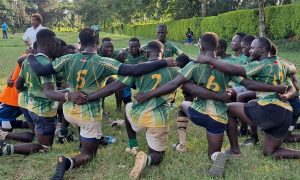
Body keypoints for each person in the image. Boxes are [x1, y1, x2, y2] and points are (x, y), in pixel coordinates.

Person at [25, 28, 176, 179]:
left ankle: (80, 139)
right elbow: (134, 70)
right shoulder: (103, 62)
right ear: (97, 43)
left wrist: (31, 56)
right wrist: (163, 62)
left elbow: (41, 70)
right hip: (88, 115)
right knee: (88, 155)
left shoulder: (68, 58)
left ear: (80, 43)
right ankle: (66, 162)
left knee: (82, 127)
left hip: (69, 111)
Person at [134, 33, 286, 177]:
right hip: (218, 118)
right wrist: (276, 88)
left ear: (201, 48)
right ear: (216, 46)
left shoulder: (194, 65)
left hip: (199, 112)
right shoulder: (225, 66)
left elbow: (173, 84)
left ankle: (182, 144)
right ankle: (216, 155)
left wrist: (146, 95)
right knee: (212, 152)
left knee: (183, 106)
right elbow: (249, 84)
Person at [86, 40, 180, 179]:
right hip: (158, 119)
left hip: (138, 115)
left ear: (147, 53)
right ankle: (146, 160)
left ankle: (133, 146)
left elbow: (114, 86)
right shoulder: (174, 70)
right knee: (157, 156)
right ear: (163, 53)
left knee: (128, 107)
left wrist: (90, 97)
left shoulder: (139, 69)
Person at [196, 37, 300, 159]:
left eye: (253, 48)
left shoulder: (260, 64)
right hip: (286, 113)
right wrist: (287, 95)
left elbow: (234, 70)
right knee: (269, 152)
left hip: (269, 109)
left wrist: (208, 59)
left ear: (262, 50)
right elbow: (294, 86)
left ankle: (235, 150)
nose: (250, 51)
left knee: (228, 108)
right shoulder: (282, 65)